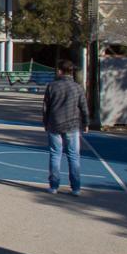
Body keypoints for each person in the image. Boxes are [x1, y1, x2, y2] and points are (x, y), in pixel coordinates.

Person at [43, 58, 89, 196]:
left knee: (55, 154)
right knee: (73, 156)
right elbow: (83, 107)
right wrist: (86, 123)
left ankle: (54, 186)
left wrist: (46, 123)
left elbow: (46, 107)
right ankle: (76, 188)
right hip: (72, 124)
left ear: (60, 71)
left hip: (55, 123)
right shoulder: (78, 87)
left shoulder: (52, 86)